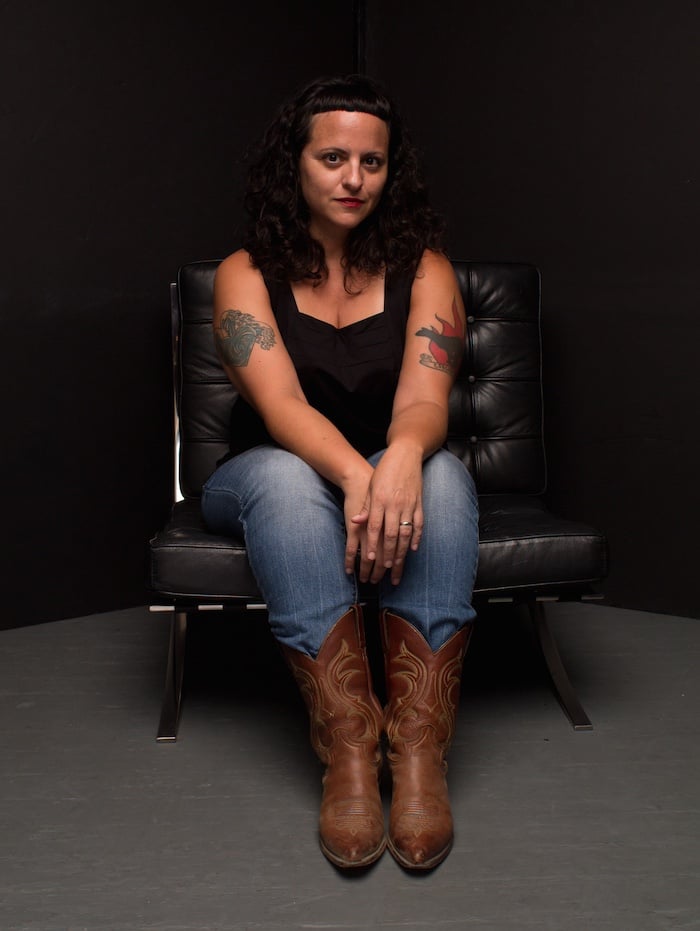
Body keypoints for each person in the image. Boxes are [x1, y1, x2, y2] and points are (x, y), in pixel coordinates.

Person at [201, 74, 479, 871]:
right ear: (294, 163)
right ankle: (350, 748)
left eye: (372, 162)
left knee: (443, 478)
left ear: (393, 171)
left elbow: (424, 399)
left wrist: (400, 458)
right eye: (332, 158)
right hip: (264, 474)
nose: (354, 178)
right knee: (289, 483)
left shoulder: (425, 269)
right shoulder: (244, 272)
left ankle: (418, 751)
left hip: (387, 463)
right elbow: (281, 406)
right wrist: (362, 476)